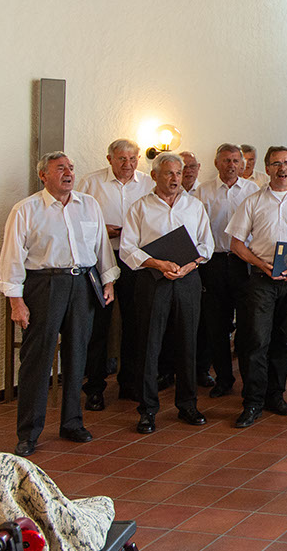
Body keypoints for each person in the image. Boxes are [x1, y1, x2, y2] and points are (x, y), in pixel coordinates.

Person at [0, 152, 118, 457]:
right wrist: (16, 302)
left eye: (71, 168)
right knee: (37, 359)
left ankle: (72, 423)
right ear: (44, 175)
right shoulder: (26, 209)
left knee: (78, 355)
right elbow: (12, 258)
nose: (68, 173)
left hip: (83, 284)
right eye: (60, 168)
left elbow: (101, 247)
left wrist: (108, 281)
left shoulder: (89, 204)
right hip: (44, 285)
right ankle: (28, 433)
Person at [225, 146, 287, 427]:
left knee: (283, 340)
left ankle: (276, 395)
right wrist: (259, 263)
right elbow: (236, 244)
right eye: (276, 163)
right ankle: (252, 401)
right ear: (267, 168)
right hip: (261, 279)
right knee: (256, 339)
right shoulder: (253, 201)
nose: (282, 168)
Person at [120, 152, 214, 434]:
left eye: (178, 173)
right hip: (153, 280)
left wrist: (189, 266)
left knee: (187, 342)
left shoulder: (194, 206)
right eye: (169, 173)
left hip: (188, 279)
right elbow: (127, 248)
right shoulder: (140, 207)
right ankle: (147, 410)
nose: (175, 178)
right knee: (149, 344)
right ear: (154, 176)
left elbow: (206, 245)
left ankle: (187, 404)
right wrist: (157, 263)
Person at [78, 138, 155, 408]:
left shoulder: (148, 183)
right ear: (109, 159)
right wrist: (102, 231)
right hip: (102, 257)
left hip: (135, 260)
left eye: (133, 159)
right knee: (100, 324)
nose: (128, 164)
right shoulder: (91, 182)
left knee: (134, 323)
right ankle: (94, 387)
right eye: (122, 159)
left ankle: (129, 383)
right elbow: (77, 220)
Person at [191, 143, 259, 398]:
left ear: (242, 164)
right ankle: (223, 379)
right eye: (226, 160)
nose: (231, 165)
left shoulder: (253, 191)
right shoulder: (203, 191)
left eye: (235, 161)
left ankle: (250, 382)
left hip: (245, 263)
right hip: (215, 263)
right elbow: (197, 228)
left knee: (248, 325)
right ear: (216, 163)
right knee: (216, 326)